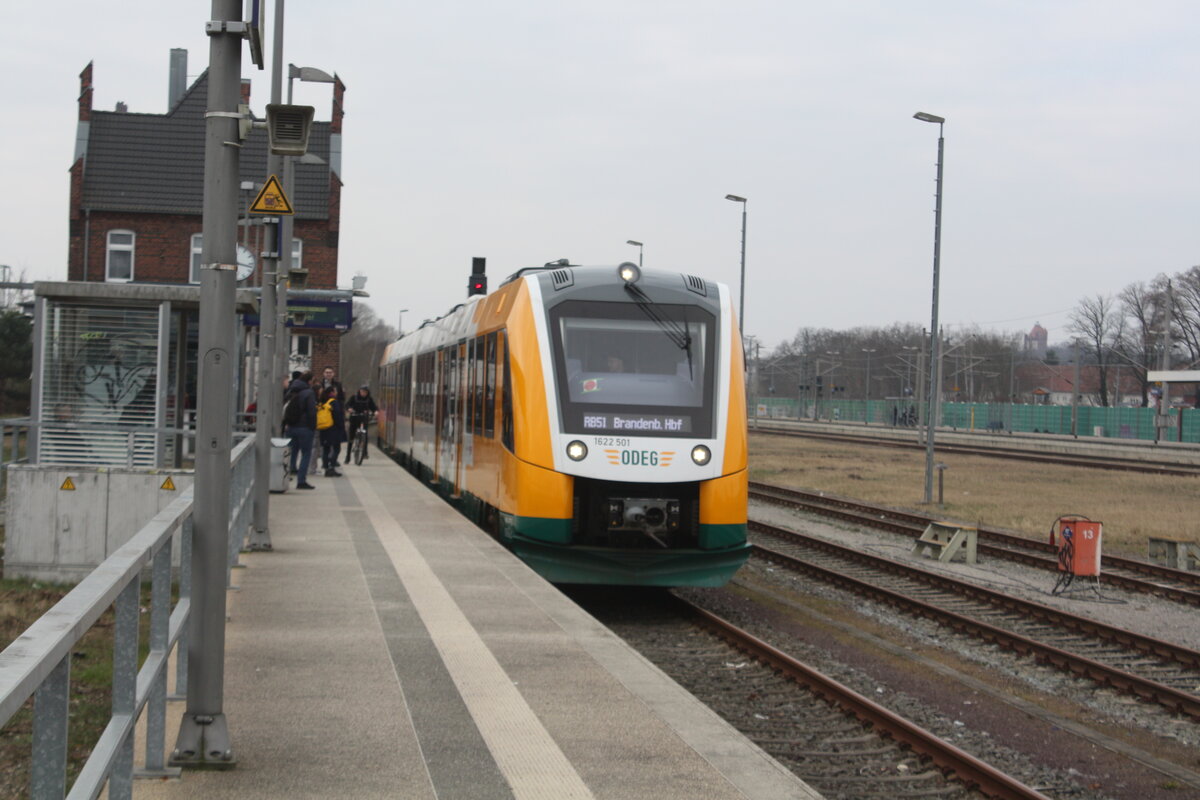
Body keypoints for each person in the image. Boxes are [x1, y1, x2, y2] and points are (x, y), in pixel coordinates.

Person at [283, 371, 317, 489]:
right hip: (305, 427)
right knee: (306, 453)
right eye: (313, 381)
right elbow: (312, 412)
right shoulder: (309, 393)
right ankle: (301, 481)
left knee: (291, 453)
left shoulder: (291, 390)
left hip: (291, 426)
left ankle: (286, 476)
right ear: (309, 381)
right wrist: (312, 427)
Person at [344, 384, 378, 463]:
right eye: (362, 391)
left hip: (363, 418)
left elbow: (373, 407)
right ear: (359, 391)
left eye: (365, 392)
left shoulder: (369, 399)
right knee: (351, 437)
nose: (363, 393)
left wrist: (375, 411)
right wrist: (349, 409)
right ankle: (348, 456)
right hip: (354, 418)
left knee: (364, 434)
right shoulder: (354, 397)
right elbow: (347, 405)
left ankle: (364, 452)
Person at [318, 386, 346, 477]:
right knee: (336, 449)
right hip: (333, 429)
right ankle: (332, 467)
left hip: (323, 428)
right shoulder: (334, 402)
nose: (336, 393)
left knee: (326, 449)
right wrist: (342, 428)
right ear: (332, 393)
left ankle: (326, 467)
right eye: (335, 391)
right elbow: (338, 417)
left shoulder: (322, 402)